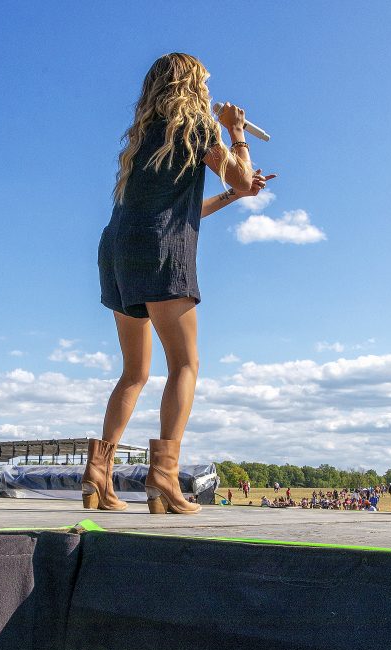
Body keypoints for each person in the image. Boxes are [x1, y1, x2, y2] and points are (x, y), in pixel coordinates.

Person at [82, 53, 275, 514]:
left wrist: (232, 195)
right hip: (162, 252)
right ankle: (164, 478)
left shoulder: (143, 138)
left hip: (118, 249)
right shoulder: (199, 128)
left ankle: (97, 477)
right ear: (194, 87)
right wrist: (236, 131)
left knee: (134, 372)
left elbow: (178, 209)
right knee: (185, 364)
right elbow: (243, 173)